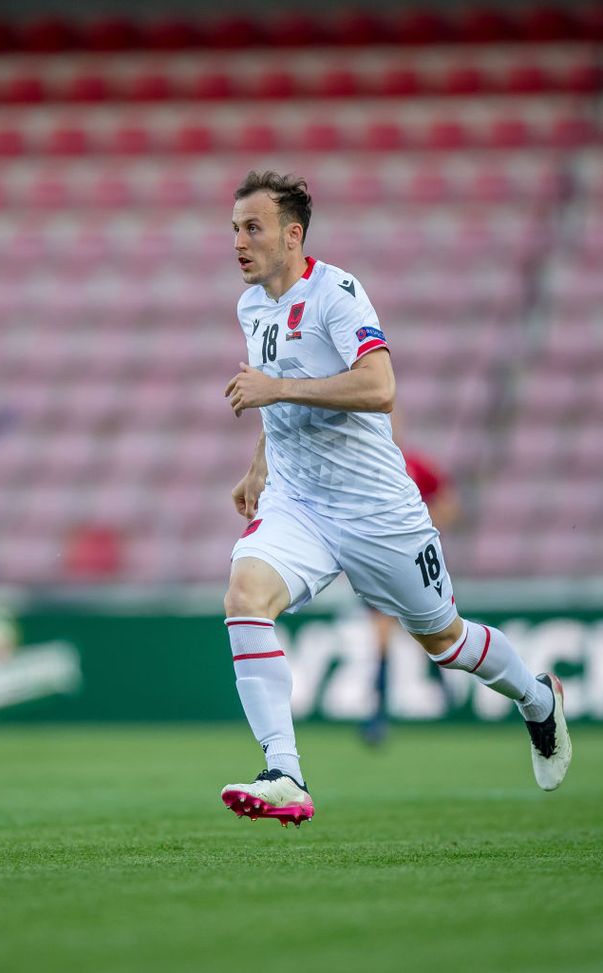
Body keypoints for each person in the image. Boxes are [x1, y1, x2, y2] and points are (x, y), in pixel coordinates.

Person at [219, 170, 571, 827]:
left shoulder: (337, 294)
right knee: (243, 598)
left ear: (292, 235)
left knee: (446, 642)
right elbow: (279, 391)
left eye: (252, 227)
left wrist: (275, 391)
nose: (238, 241)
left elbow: (379, 387)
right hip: (299, 503)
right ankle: (284, 772)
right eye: (235, 229)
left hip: (377, 510)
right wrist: (257, 466)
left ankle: (536, 698)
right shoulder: (251, 307)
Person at [361, 439, 460, 745]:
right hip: (379, 566)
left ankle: (444, 688)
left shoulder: (416, 465)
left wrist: (420, 527)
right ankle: (378, 715)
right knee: (381, 638)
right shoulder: (365, 467)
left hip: (413, 563)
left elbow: (449, 506)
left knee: (426, 631)